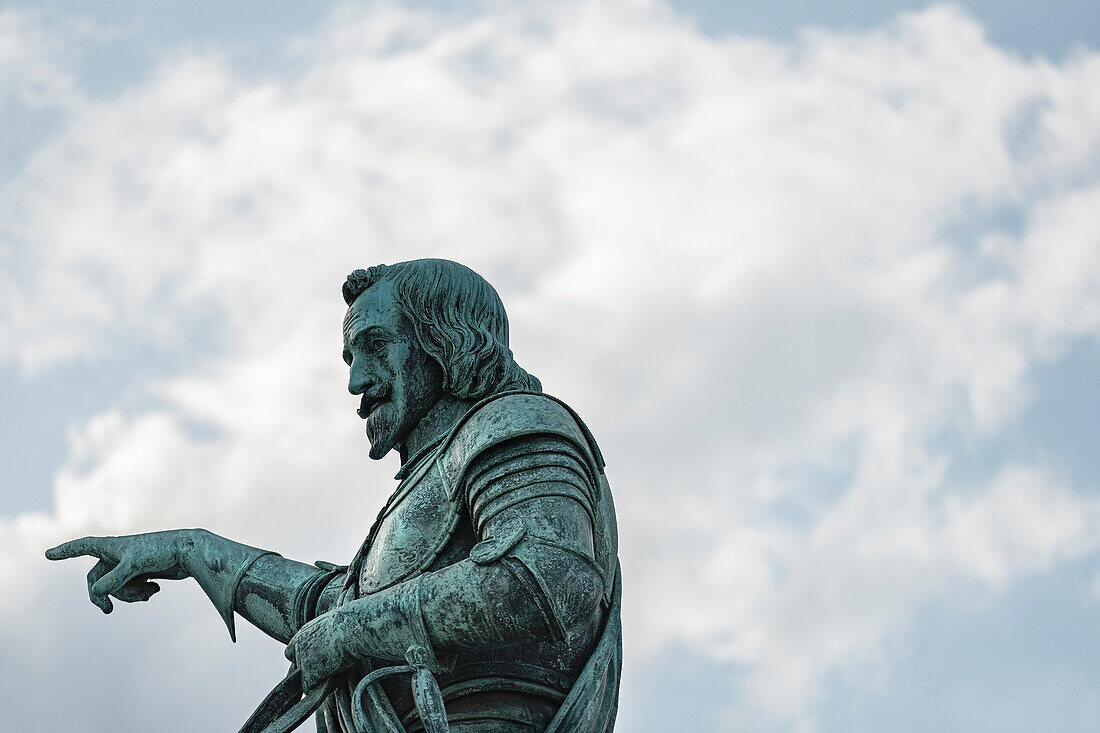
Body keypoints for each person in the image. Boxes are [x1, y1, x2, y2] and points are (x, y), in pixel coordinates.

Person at [47, 259, 621, 733]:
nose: (355, 381)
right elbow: (333, 608)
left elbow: (551, 578)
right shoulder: (437, 472)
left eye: (375, 345)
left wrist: (352, 630)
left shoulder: (514, 424)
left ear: (445, 340)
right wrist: (192, 549)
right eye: (351, 358)